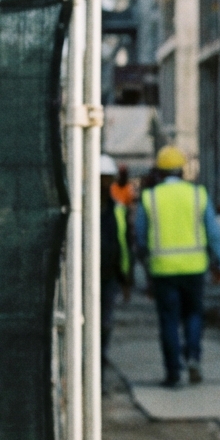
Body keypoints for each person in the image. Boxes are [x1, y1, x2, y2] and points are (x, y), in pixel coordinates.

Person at [135, 145, 220, 388]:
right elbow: (213, 232)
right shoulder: (198, 195)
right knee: (194, 315)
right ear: (182, 171)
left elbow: (140, 237)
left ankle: (173, 372)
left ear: (159, 171)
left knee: (168, 321)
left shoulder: (149, 197)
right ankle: (194, 357)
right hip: (194, 268)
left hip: (162, 269)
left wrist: (144, 268)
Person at [99, 153, 132, 365]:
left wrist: (126, 278)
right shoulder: (79, 208)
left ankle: (100, 358)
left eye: (108, 177)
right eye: (102, 177)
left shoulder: (118, 210)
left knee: (105, 322)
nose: (105, 182)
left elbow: (125, 245)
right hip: (84, 275)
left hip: (110, 276)